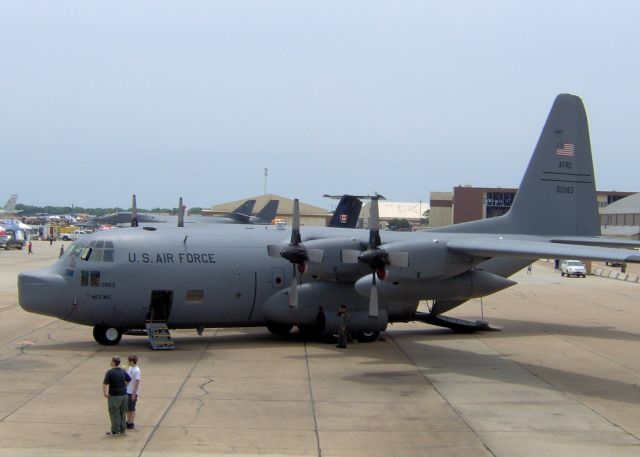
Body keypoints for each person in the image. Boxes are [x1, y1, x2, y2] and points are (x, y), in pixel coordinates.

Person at [103, 356, 131, 436]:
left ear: (113, 363)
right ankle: (123, 430)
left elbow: (105, 383)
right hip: (124, 396)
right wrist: (125, 386)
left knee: (114, 413)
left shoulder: (110, 372)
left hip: (114, 396)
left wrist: (105, 393)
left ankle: (115, 431)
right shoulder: (123, 371)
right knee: (123, 413)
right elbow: (129, 380)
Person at [126, 355, 141, 430]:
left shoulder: (137, 370)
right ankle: (128, 421)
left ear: (132, 361)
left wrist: (134, 393)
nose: (127, 362)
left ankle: (131, 423)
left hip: (132, 392)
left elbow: (137, 382)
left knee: (132, 408)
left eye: (128, 361)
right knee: (128, 408)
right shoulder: (130, 368)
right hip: (127, 391)